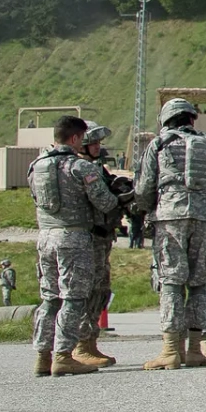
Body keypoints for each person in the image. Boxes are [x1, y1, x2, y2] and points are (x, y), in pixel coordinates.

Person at [133, 97, 206, 370]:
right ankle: (194, 349)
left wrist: (143, 212)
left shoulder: (158, 144)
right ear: (192, 118)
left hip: (170, 219)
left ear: (166, 120)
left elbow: (144, 188)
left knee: (171, 282)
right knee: (200, 284)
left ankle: (169, 350)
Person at [29, 116, 122, 379]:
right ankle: (63, 356)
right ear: (74, 139)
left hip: (46, 237)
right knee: (73, 298)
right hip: (74, 239)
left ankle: (42, 356)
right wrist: (118, 195)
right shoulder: (80, 167)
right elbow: (105, 203)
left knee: (49, 299)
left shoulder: (37, 165)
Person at [74, 123, 127, 369]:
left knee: (101, 291)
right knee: (89, 291)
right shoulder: (78, 168)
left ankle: (90, 341)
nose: (98, 147)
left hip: (102, 238)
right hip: (90, 238)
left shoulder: (95, 168)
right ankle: (80, 345)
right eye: (93, 143)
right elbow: (103, 202)